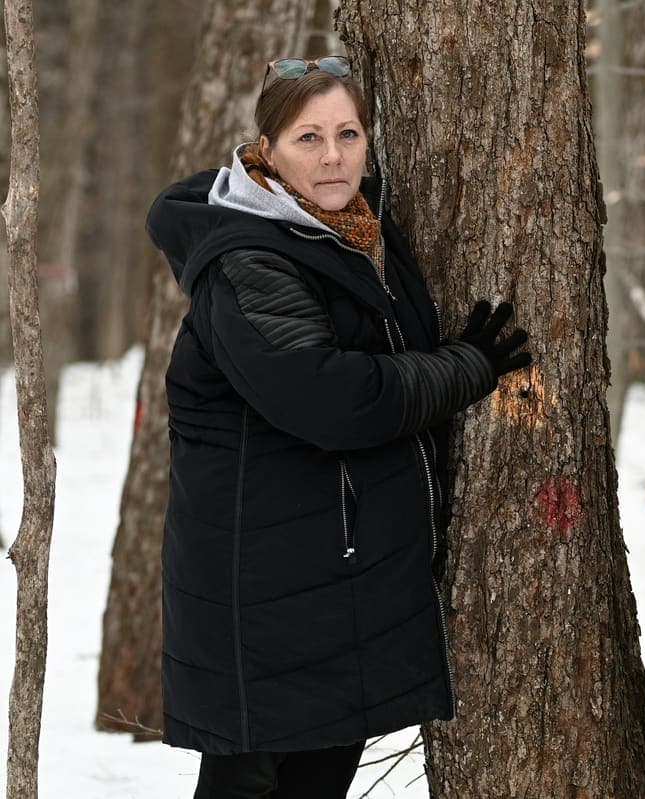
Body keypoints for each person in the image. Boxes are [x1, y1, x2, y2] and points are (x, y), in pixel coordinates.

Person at [146, 55, 531, 798]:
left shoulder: (353, 232)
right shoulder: (251, 256)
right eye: (307, 137)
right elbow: (335, 400)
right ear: (266, 148)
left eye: (348, 134)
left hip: (338, 583)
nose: (332, 156)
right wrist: (466, 368)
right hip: (263, 599)